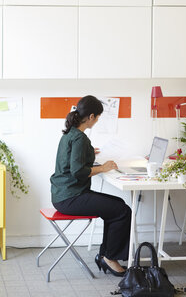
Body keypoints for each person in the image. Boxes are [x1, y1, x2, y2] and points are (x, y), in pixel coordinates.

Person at [50, 95, 131, 277]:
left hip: (62, 195)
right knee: (121, 210)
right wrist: (102, 167)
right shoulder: (80, 138)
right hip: (71, 197)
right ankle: (109, 258)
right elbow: (78, 171)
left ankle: (106, 255)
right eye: (98, 117)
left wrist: (88, 152)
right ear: (92, 116)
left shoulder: (71, 133)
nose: (98, 120)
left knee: (117, 207)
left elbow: (72, 160)